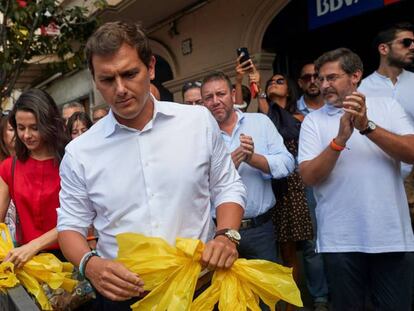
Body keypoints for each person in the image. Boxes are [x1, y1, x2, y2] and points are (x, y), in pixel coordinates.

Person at [57, 21, 246, 310]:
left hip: (201, 289)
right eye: (107, 80)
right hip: (125, 298)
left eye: (130, 73)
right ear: (95, 81)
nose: (120, 89)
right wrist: (90, 264)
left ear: (151, 68)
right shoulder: (79, 152)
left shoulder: (197, 123)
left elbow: (226, 185)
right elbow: (70, 225)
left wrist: (226, 237)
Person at [298, 47, 414, 310]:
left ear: (355, 76)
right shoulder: (313, 122)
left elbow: (411, 152)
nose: (323, 85)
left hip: (391, 237)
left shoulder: (387, 106)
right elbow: (308, 176)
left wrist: (367, 127)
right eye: (320, 78)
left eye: (331, 77)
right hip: (340, 241)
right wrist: (339, 141)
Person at [202, 71, 294, 264]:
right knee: (227, 293)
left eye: (221, 94)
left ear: (233, 95)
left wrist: (253, 159)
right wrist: (227, 167)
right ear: (203, 103)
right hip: (219, 234)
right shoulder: (200, 135)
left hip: (260, 229)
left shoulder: (260, 123)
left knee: (268, 292)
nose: (215, 101)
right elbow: (195, 186)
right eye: (209, 97)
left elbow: (287, 164)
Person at [262, 73, 314, 311]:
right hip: (271, 184)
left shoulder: (299, 118)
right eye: (270, 81)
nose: (274, 83)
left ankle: (297, 301)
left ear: (290, 90)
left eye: (280, 81)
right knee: (281, 247)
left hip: (295, 185)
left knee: (297, 247)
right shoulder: (264, 117)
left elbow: (293, 136)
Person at [0, 88, 68, 267]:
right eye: (21, 128)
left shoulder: (70, 162)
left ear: (49, 125)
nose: (26, 135)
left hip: (68, 257)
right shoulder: (9, 167)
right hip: (26, 260)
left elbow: (76, 219)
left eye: (34, 128)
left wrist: (34, 246)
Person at [296, 63, 330, 311]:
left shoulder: (338, 107)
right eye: (306, 77)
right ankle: (320, 298)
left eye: (315, 76)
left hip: (340, 182)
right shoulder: (290, 111)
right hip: (308, 185)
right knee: (313, 243)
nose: (312, 81)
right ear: (300, 83)